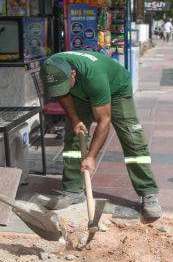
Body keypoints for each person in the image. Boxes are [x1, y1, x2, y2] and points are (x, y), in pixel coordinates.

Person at [40, 51, 162, 221]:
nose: (60, 90)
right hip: (79, 93)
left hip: (115, 89)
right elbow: (62, 94)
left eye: (64, 84)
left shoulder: (94, 76)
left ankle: (148, 192)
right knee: (74, 137)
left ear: (73, 74)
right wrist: (75, 119)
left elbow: (104, 121)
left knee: (132, 138)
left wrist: (91, 157)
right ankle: (73, 190)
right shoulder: (51, 68)